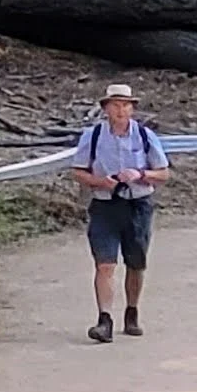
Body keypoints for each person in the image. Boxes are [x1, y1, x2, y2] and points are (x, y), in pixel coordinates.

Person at [72, 82, 170, 343]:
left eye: (125, 105)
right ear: (105, 108)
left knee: (136, 264)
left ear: (132, 109)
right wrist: (100, 181)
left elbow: (163, 173)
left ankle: (132, 311)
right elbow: (78, 170)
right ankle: (104, 320)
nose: (121, 110)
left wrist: (140, 174)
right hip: (104, 205)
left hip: (138, 205)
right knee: (105, 264)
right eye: (115, 105)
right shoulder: (92, 136)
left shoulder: (146, 136)